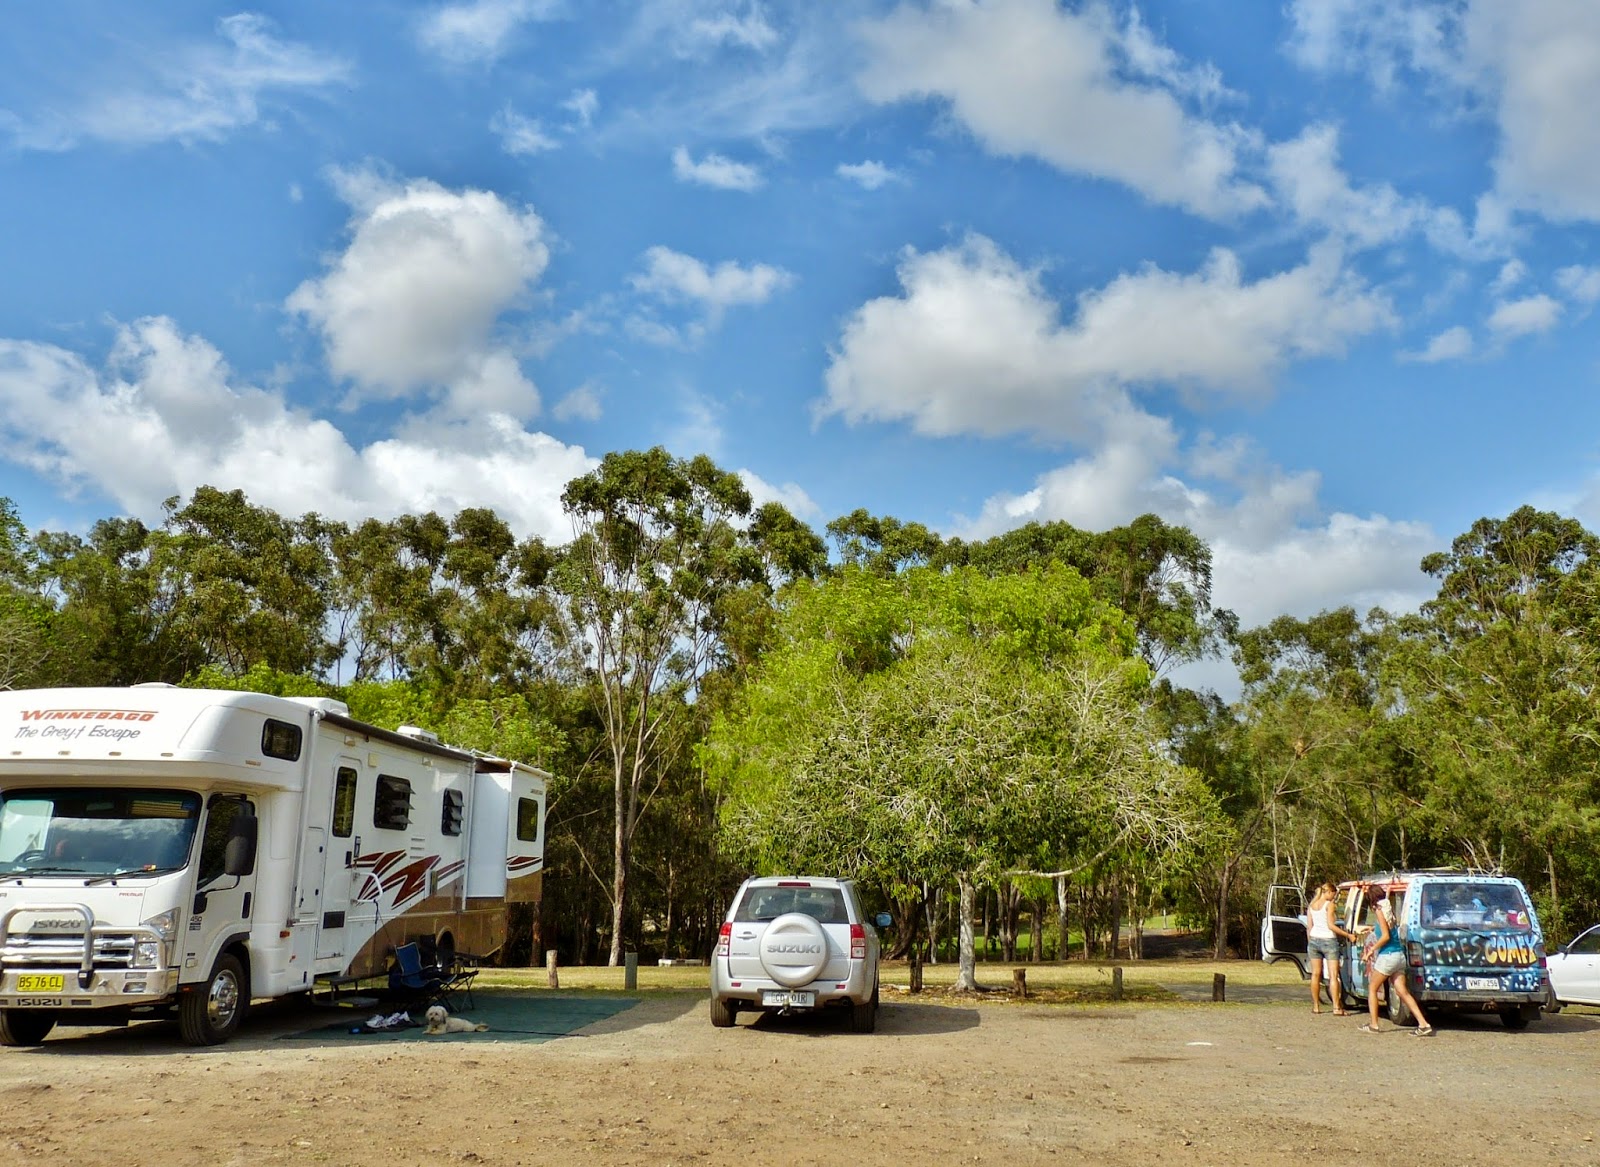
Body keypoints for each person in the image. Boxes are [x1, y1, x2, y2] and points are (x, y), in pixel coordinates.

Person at [1360, 887, 1434, 1037]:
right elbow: (1387, 929)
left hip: (1388, 956)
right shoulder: (1389, 910)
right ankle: (1423, 1024)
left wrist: (1370, 951)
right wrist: (1372, 929)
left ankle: (1374, 1024)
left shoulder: (1379, 911)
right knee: (1402, 991)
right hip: (1399, 956)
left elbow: (1385, 936)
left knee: (1372, 988)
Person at [1306, 882, 1355, 1015]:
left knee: (1315, 974)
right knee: (1333, 975)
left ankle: (1316, 1006)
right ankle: (1336, 1007)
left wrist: (1310, 942)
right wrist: (1347, 935)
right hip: (1328, 940)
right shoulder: (1329, 905)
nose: (1334, 897)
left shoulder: (1312, 906)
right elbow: (1331, 926)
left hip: (1314, 939)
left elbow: (1309, 927)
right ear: (1329, 892)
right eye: (1334, 894)